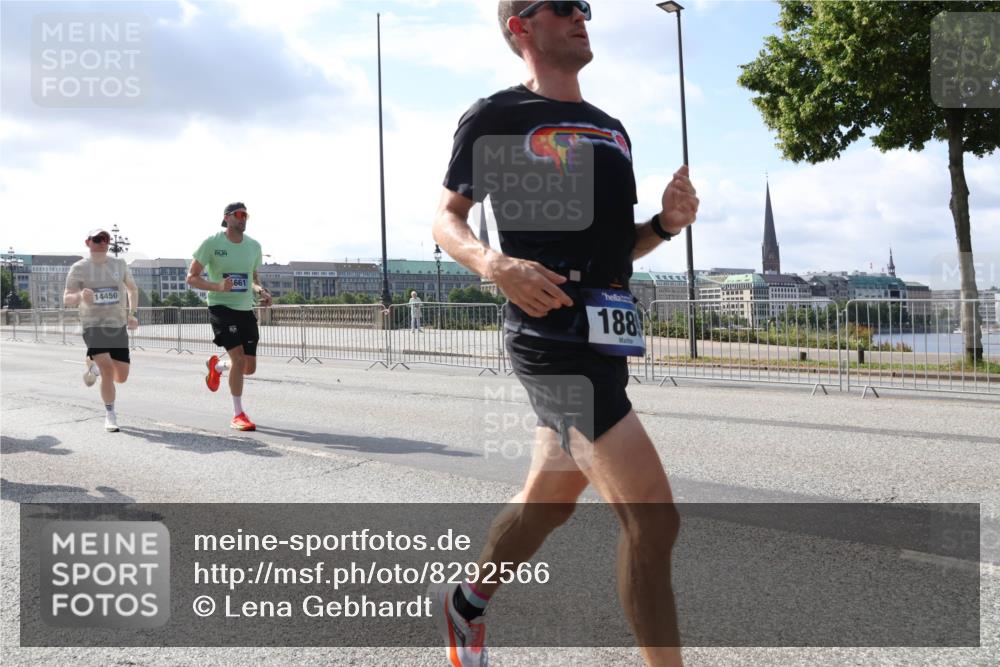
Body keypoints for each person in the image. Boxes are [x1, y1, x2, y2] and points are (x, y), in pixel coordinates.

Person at [428, 2, 699, 666]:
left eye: (585, 6)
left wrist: (663, 225)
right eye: (560, 6)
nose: (580, 15)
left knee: (548, 502)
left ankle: (465, 601)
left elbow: (616, 249)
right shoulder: (495, 116)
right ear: (520, 27)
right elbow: (445, 218)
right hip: (548, 334)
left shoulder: (613, 130)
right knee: (654, 520)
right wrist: (494, 263)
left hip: (605, 327)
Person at [186, 202, 272, 431]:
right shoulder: (213, 243)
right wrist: (218, 286)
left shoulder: (253, 246)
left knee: (249, 367)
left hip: (245, 309)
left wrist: (260, 291)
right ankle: (238, 414)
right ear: (227, 218)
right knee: (239, 358)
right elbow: (192, 278)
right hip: (221, 307)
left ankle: (217, 367)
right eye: (239, 214)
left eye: (246, 215)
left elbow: (253, 277)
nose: (243, 219)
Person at [63, 228, 140, 432]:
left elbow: (132, 289)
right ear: (88, 242)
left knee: (121, 377)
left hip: (117, 325)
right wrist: (79, 296)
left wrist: (132, 314)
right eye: (98, 239)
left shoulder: (119, 264)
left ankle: (92, 365)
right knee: (108, 370)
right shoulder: (79, 268)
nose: (103, 243)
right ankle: (110, 414)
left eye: (106, 239)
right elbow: (67, 298)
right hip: (93, 325)